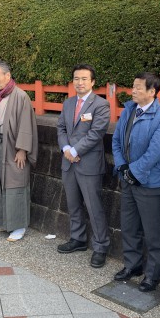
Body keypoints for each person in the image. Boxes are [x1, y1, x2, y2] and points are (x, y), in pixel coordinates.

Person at [112, 72, 160, 292]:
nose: (134, 90)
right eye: (133, 86)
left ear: (152, 91)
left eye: (139, 87)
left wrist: (134, 172)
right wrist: (122, 167)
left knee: (153, 231)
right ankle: (133, 265)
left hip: (151, 183)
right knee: (129, 226)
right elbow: (116, 140)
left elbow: (155, 152)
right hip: (128, 179)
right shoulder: (129, 110)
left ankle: (153, 274)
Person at [57, 64, 110, 268]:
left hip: (88, 163)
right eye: (76, 79)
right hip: (68, 161)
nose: (79, 82)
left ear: (93, 82)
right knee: (73, 204)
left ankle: (100, 247)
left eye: (84, 79)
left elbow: (96, 133)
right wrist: (66, 149)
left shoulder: (101, 105)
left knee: (93, 207)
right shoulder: (68, 103)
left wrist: (76, 151)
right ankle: (78, 239)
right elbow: (60, 127)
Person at [0, 60, 38, 242]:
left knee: (15, 184)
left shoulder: (20, 96)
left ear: (8, 75)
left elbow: (26, 125)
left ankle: (18, 225)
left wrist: (22, 149)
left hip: (13, 146)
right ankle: (0, 221)